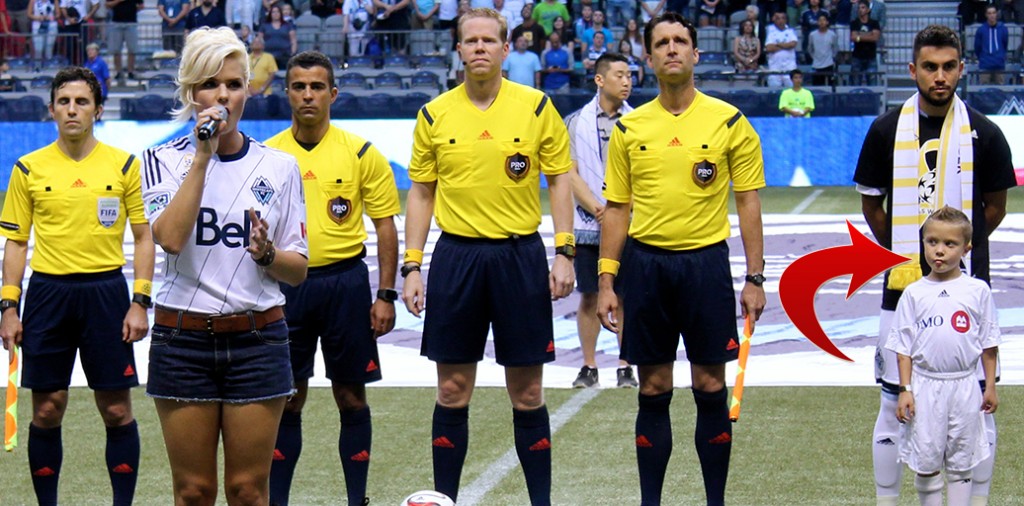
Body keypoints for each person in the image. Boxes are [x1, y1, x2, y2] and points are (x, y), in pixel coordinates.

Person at [402, 7, 575, 504]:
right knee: (452, 391)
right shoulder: (434, 115)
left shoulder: (538, 108)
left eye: (488, 40)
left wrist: (564, 251)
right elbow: (421, 192)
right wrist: (413, 265)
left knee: (527, 393)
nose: (479, 47)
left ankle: (540, 500)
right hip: (456, 259)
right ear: (459, 50)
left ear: (506, 48)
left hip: (519, 258)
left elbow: (560, 178)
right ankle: (444, 500)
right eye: (469, 40)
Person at [597, 13, 766, 506]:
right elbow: (618, 209)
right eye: (662, 43)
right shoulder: (630, 128)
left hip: (706, 266)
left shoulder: (730, 121)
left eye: (681, 41)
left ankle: (715, 501)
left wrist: (755, 277)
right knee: (652, 385)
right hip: (646, 267)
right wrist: (608, 281)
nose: (672, 49)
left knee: (710, 383)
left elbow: (749, 201)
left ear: (695, 53)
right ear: (649, 59)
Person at [140, 26, 308, 505]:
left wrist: (269, 255)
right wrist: (202, 157)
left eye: (234, 84)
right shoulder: (160, 160)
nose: (223, 95)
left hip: (258, 340)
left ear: (248, 91)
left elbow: (298, 269)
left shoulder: (279, 167)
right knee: (193, 491)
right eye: (210, 84)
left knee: (248, 490)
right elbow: (170, 238)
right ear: (191, 91)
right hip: (182, 340)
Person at [853, 24, 1016, 506]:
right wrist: (911, 257)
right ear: (913, 70)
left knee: (980, 410)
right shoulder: (885, 130)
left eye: (948, 67)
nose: (939, 76)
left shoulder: (986, 133)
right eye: (930, 67)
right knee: (891, 404)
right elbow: (872, 209)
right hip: (901, 290)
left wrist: (955, 258)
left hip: (970, 295)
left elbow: (995, 208)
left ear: (961, 69)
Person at [0, 66, 154, 506]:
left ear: (98, 110)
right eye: (64, 102)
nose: (72, 109)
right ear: (51, 110)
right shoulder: (28, 168)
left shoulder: (124, 164)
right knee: (48, 409)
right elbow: (16, 242)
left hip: (107, 295)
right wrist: (8, 307)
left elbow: (144, 237)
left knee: (117, 409)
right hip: (48, 295)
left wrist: (140, 300)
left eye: (82, 101)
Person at [264, 50, 400, 506]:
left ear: (333, 94)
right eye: (299, 86)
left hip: (345, 284)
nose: (308, 95)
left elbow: (385, 226)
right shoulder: (267, 155)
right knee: (288, 398)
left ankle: (356, 499)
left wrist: (385, 294)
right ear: (287, 94)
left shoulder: (361, 153)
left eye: (317, 86)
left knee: (351, 396)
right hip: (287, 287)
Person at [885, 206, 999, 506]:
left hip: (964, 386)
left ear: (966, 247)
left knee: (962, 460)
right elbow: (904, 348)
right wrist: (905, 390)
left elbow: (989, 344)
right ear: (923, 243)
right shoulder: (914, 293)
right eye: (932, 242)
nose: (939, 251)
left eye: (950, 244)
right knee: (927, 458)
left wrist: (989, 386)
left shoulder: (977, 291)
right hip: (925, 387)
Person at [563, 52, 637, 390]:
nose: (626, 81)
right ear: (599, 79)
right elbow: (569, 172)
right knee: (590, 296)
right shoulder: (575, 122)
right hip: (588, 224)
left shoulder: (639, 121)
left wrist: (622, 209)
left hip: (631, 224)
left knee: (624, 295)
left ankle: (625, 363)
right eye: (620, 74)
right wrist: (598, 208)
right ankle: (589, 364)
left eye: (629, 75)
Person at [974, 5, 1008, 85]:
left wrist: (1001, 55)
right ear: (986, 15)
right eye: (989, 13)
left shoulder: (1003, 28)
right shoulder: (981, 30)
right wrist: (982, 57)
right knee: (983, 89)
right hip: (985, 64)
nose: (992, 15)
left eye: (993, 13)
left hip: (999, 64)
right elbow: (977, 47)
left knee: (1000, 89)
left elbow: (1005, 43)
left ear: (997, 14)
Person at [849, 0, 880, 85]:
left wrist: (859, 36)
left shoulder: (874, 23)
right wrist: (869, 35)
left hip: (871, 57)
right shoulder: (854, 23)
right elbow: (853, 37)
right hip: (857, 57)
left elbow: (875, 38)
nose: (860, 10)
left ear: (868, 10)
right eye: (859, 8)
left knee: (872, 83)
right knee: (855, 83)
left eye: (863, 7)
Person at [764, 11, 797, 87]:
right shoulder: (771, 33)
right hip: (774, 67)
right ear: (774, 20)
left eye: (783, 18)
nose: (780, 20)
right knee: (774, 92)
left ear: (786, 20)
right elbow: (769, 48)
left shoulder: (790, 31)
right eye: (778, 19)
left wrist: (778, 44)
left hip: (789, 67)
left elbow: (793, 44)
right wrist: (785, 45)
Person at [260, 4, 296, 68]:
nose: (276, 14)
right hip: (268, 54)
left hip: (285, 55)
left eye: (278, 12)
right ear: (270, 14)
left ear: (281, 13)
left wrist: (292, 54)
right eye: (273, 12)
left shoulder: (288, 25)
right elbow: (260, 40)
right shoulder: (264, 26)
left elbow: (293, 41)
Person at [806, 12, 837, 85]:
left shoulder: (832, 34)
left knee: (831, 86)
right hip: (816, 64)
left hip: (829, 64)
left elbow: (835, 48)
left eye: (824, 20)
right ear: (817, 22)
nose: (822, 22)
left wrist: (832, 57)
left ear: (827, 22)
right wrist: (814, 57)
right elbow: (810, 48)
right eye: (820, 20)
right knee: (818, 86)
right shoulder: (812, 35)